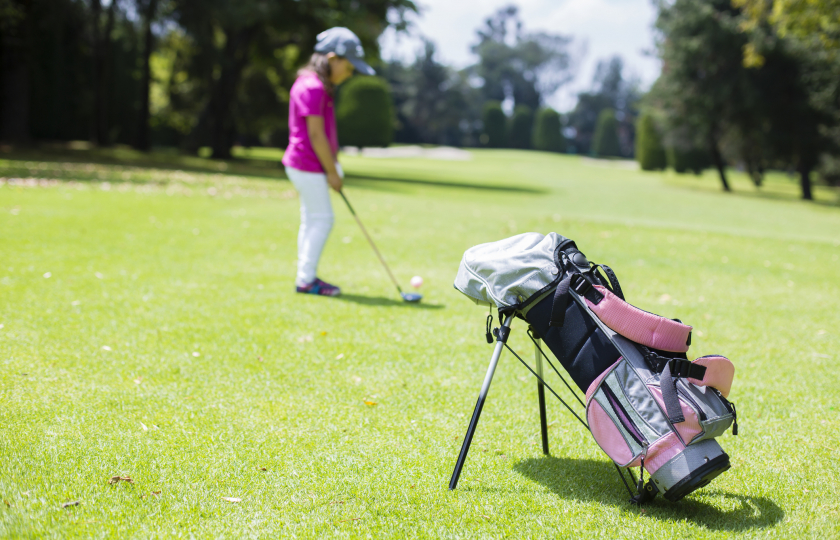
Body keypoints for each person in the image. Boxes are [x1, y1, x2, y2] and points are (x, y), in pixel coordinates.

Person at [282, 27, 375, 297]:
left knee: (311, 219)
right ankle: (306, 280)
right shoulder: (313, 87)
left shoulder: (311, 84)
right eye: (348, 66)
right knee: (322, 219)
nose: (349, 73)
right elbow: (315, 134)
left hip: (303, 164)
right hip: (307, 164)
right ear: (332, 57)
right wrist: (332, 171)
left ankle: (305, 277)